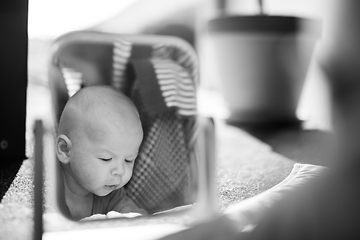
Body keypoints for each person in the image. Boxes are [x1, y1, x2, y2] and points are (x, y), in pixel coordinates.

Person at [55, 85, 147, 221]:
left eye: (129, 160)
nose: (120, 171)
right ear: (65, 150)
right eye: (106, 159)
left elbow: (136, 219)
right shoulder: (45, 188)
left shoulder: (112, 194)